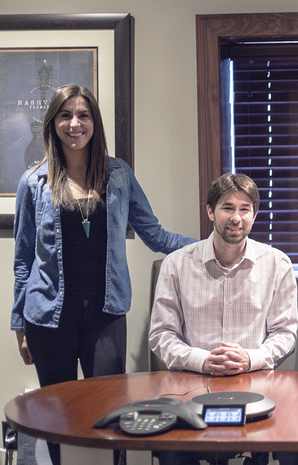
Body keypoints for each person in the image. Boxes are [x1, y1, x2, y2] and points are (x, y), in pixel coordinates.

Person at [12, 84, 195, 465]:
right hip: (48, 317)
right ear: (53, 123)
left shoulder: (118, 175)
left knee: (111, 418)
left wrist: (210, 246)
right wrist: (19, 325)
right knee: (57, 417)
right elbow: (23, 259)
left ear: (94, 122)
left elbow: (156, 235)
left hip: (105, 314)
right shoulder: (33, 182)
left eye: (83, 115)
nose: (74, 123)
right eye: (65, 115)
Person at [149, 172, 298, 465]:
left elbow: (285, 333)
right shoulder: (176, 265)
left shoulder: (277, 263)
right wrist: (201, 360)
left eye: (245, 209)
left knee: (292, 443)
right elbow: (162, 334)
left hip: (257, 384)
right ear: (210, 211)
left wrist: (250, 359)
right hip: (191, 384)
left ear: (254, 215)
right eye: (227, 208)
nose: (236, 217)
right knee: (171, 447)